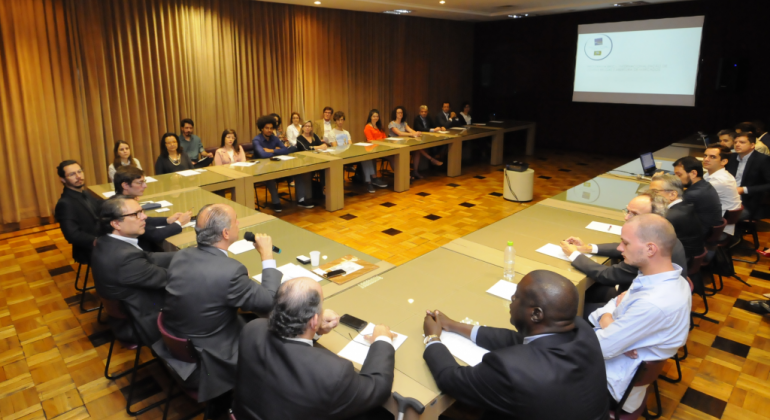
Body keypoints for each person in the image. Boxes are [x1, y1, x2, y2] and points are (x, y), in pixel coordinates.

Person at [422, 270, 609, 420]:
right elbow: (517, 340)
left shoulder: (510, 368)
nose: (511, 300)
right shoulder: (582, 330)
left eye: (516, 297)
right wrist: (454, 325)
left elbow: (450, 379)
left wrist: (432, 337)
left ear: (536, 314)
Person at [157, 203, 282, 403]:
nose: (238, 223)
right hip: (211, 357)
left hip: (181, 341)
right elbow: (268, 302)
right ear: (226, 232)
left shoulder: (182, 255)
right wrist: (267, 256)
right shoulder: (230, 271)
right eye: (235, 221)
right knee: (272, 329)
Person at [233, 278, 396, 420]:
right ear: (314, 320)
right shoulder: (333, 371)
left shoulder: (252, 328)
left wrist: (314, 331)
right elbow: (378, 388)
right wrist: (382, 339)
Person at [588, 214, 690, 413]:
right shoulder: (664, 278)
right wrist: (610, 323)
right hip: (619, 363)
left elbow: (600, 348)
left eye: (625, 243)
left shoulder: (654, 302)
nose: (619, 248)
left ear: (650, 249)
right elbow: (613, 305)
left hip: (610, 386)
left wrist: (610, 323)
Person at [560, 192, 688, 316]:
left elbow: (607, 275)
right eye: (627, 211)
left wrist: (574, 255)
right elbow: (622, 247)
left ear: (652, 218)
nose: (626, 217)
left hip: (632, 305)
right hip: (631, 294)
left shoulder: (645, 255)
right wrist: (587, 248)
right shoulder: (664, 237)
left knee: (571, 311)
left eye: (634, 214)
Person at [91, 195, 174, 345]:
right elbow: (169, 278)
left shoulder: (106, 241)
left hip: (130, 311)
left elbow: (149, 257)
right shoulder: (125, 258)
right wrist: (197, 262)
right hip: (143, 321)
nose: (144, 217)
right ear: (116, 223)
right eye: (136, 214)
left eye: (141, 211)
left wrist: (189, 254)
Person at [114, 166, 192, 249]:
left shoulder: (117, 201)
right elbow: (155, 235)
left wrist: (167, 220)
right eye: (140, 183)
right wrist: (179, 223)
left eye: (144, 182)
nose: (145, 186)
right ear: (125, 185)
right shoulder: (123, 208)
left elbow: (145, 220)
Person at [252, 115, 313, 211]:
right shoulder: (256, 140)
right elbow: (262, 154)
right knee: (270, 177)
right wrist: (275, 151)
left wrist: (271, 150)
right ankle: (276, 203)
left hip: (277, 164)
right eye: (267, 128)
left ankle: (301, 200)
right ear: (262, 128)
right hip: (262, 168)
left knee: (297, 172)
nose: (269, 130)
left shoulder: (274, 138)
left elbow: (285, 150)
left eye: (271, 128)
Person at [649, 173, 705, 261]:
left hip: (681, 261)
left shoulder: (669, 218)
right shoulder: (685, 204)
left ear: (672, 195)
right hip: (690, 255)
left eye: (655, 192)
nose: (650, 196)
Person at [55, 160, 101, 264]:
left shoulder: (84, 193)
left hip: (100, 240)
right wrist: (99, 241)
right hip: (88, 249)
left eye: (79, 172)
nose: (78, 176)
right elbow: (72, 235)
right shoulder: (65, 203)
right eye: (72, 174)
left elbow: (100, 205)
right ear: (63, 179)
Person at [673, 156, 723, 236]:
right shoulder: (705, 184)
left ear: (693, 173)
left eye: (679, 175)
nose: (676, 179)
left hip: (700, 235)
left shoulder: (691, 195)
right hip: (709, 229)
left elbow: (673, 214)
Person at [725, 131, 770, 220]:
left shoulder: (762, 160)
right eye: (735, 142)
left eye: (742, 142)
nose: (737, 145)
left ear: (752, 145)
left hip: (747, 203)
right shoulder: (731, 158)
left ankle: (730, 233)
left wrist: (744, 189)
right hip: (728, 198)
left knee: (719, 214)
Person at [389, 106, 442, 179]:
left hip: (404, 144)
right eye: (398, 112)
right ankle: (431, 159)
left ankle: (415, 171)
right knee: (416, 149)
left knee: (417, 150)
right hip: (395, 146)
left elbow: (411, 130)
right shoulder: (392, 123)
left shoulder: (404, 123)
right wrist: (412, 134)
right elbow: (400, 133)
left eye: (401, 112)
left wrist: (417, 133)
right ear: (395, 114)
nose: (400, 114)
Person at [702, 145, 742, 235]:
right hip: (716, 219)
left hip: (719, 229)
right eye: (705, 155)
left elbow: (696, 200)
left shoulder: (720, 180)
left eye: (712, 157)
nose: (706, 159)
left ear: (724, 161)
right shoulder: (709, 175)